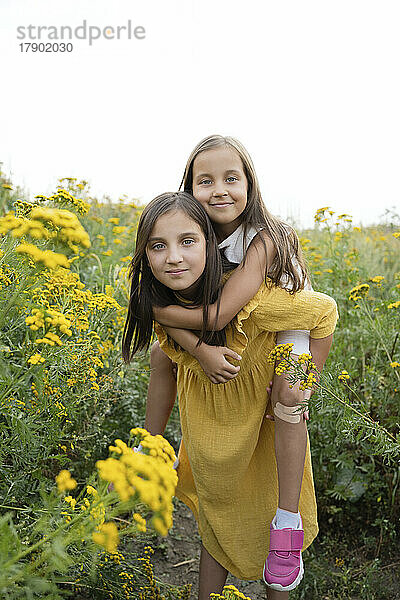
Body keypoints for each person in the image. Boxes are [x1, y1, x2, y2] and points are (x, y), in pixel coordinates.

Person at [122, 191, 338, 600]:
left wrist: (304, 378)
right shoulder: (158, 293)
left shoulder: (250, 295)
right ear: (145, 254)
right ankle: (147, 448)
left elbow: (323, 311)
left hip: (262, 414)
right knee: (216, 517)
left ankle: (286, 530)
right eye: (158, 246)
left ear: (209, 240)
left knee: (271, 520)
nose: (174, 257)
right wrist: (197, 348)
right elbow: (160, 343)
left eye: (188, 242)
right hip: (212, 424)